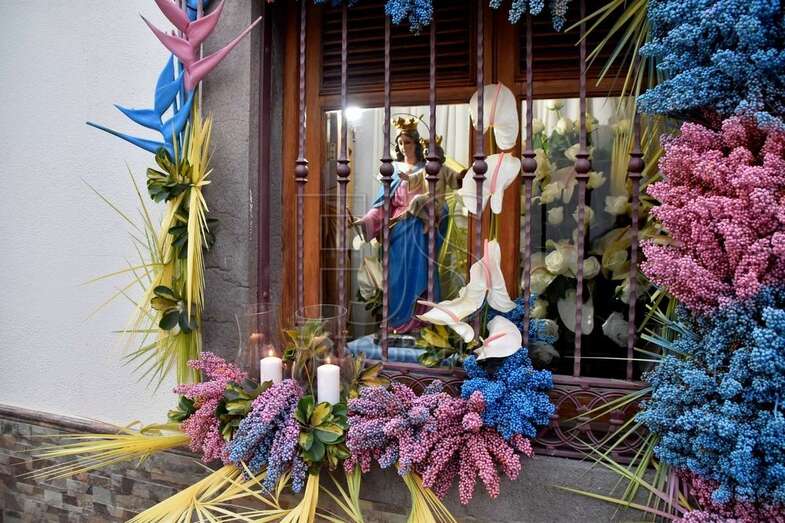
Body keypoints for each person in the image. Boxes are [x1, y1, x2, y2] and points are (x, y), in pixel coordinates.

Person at [357, 117, 456, 332]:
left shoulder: (428, 168)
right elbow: (382, 204)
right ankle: (397, 324)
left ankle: (423, 325)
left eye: (408, 142)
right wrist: (365, 221)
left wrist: (436, 214)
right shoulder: (392, 171)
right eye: (400, 143)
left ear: (417, 143)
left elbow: (440, 199)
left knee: (423, 275)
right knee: (396, 279)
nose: (404, 147)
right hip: (398, 232)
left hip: (421, 232)